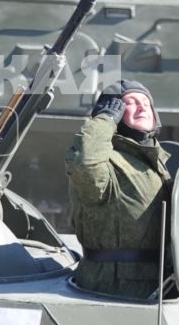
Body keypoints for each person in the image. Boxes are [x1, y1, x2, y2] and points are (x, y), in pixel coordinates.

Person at [66, 78, 168, 299]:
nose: (142, 106)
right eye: (130, 102)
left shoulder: (154, 163)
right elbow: (86, 163)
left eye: (146, 102)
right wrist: (104, 120)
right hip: (112, 290)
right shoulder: (109, 162)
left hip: (156, 287)